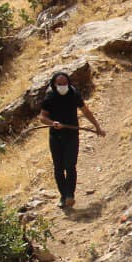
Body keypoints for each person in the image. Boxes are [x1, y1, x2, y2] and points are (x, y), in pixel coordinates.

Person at [36, 71, 104, 209]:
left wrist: (97, 126)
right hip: (55, 137)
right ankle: (63, 195)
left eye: (65, 83)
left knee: (70, 165)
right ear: (54, 84)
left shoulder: (73, 94)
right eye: (59, 84)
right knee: (58, 168)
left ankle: (70, 195)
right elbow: (42, 117)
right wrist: (52, 123)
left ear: (68, 83)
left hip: (72, 135)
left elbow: (85, 111)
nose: (62, 86)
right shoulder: (50, 96)